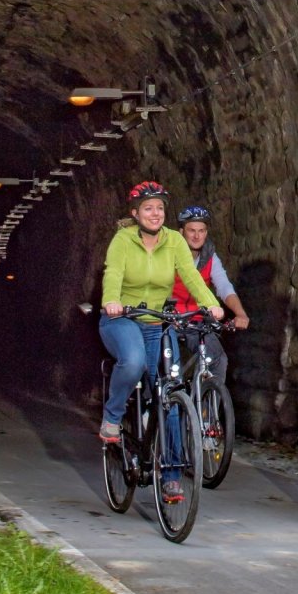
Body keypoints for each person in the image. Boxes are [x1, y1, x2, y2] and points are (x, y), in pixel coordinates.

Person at [98, 180, 224, 499]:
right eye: (149, 208)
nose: (156, 214)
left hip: (157, 322)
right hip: (122, 319)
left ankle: (171, 475)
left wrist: (210, 303)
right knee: (133, 360)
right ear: (135, 213)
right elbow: (112, 273)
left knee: (168, 394)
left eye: (160, 208)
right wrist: (111, 299)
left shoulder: (174, 242)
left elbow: (191, 275)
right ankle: (112, 418)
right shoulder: (123, 240)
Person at [170, 205, 250, 384]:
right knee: (171, 369)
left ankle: (205, 410)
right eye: (191, 230)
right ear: (181, 232)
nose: (197, 236)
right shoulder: (169, 254)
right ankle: (168, 406)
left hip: (196, 318)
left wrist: (240, 313)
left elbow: (223, 286)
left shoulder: (210, 257)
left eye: (202, 230)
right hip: (169, 319)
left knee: (217, 359)